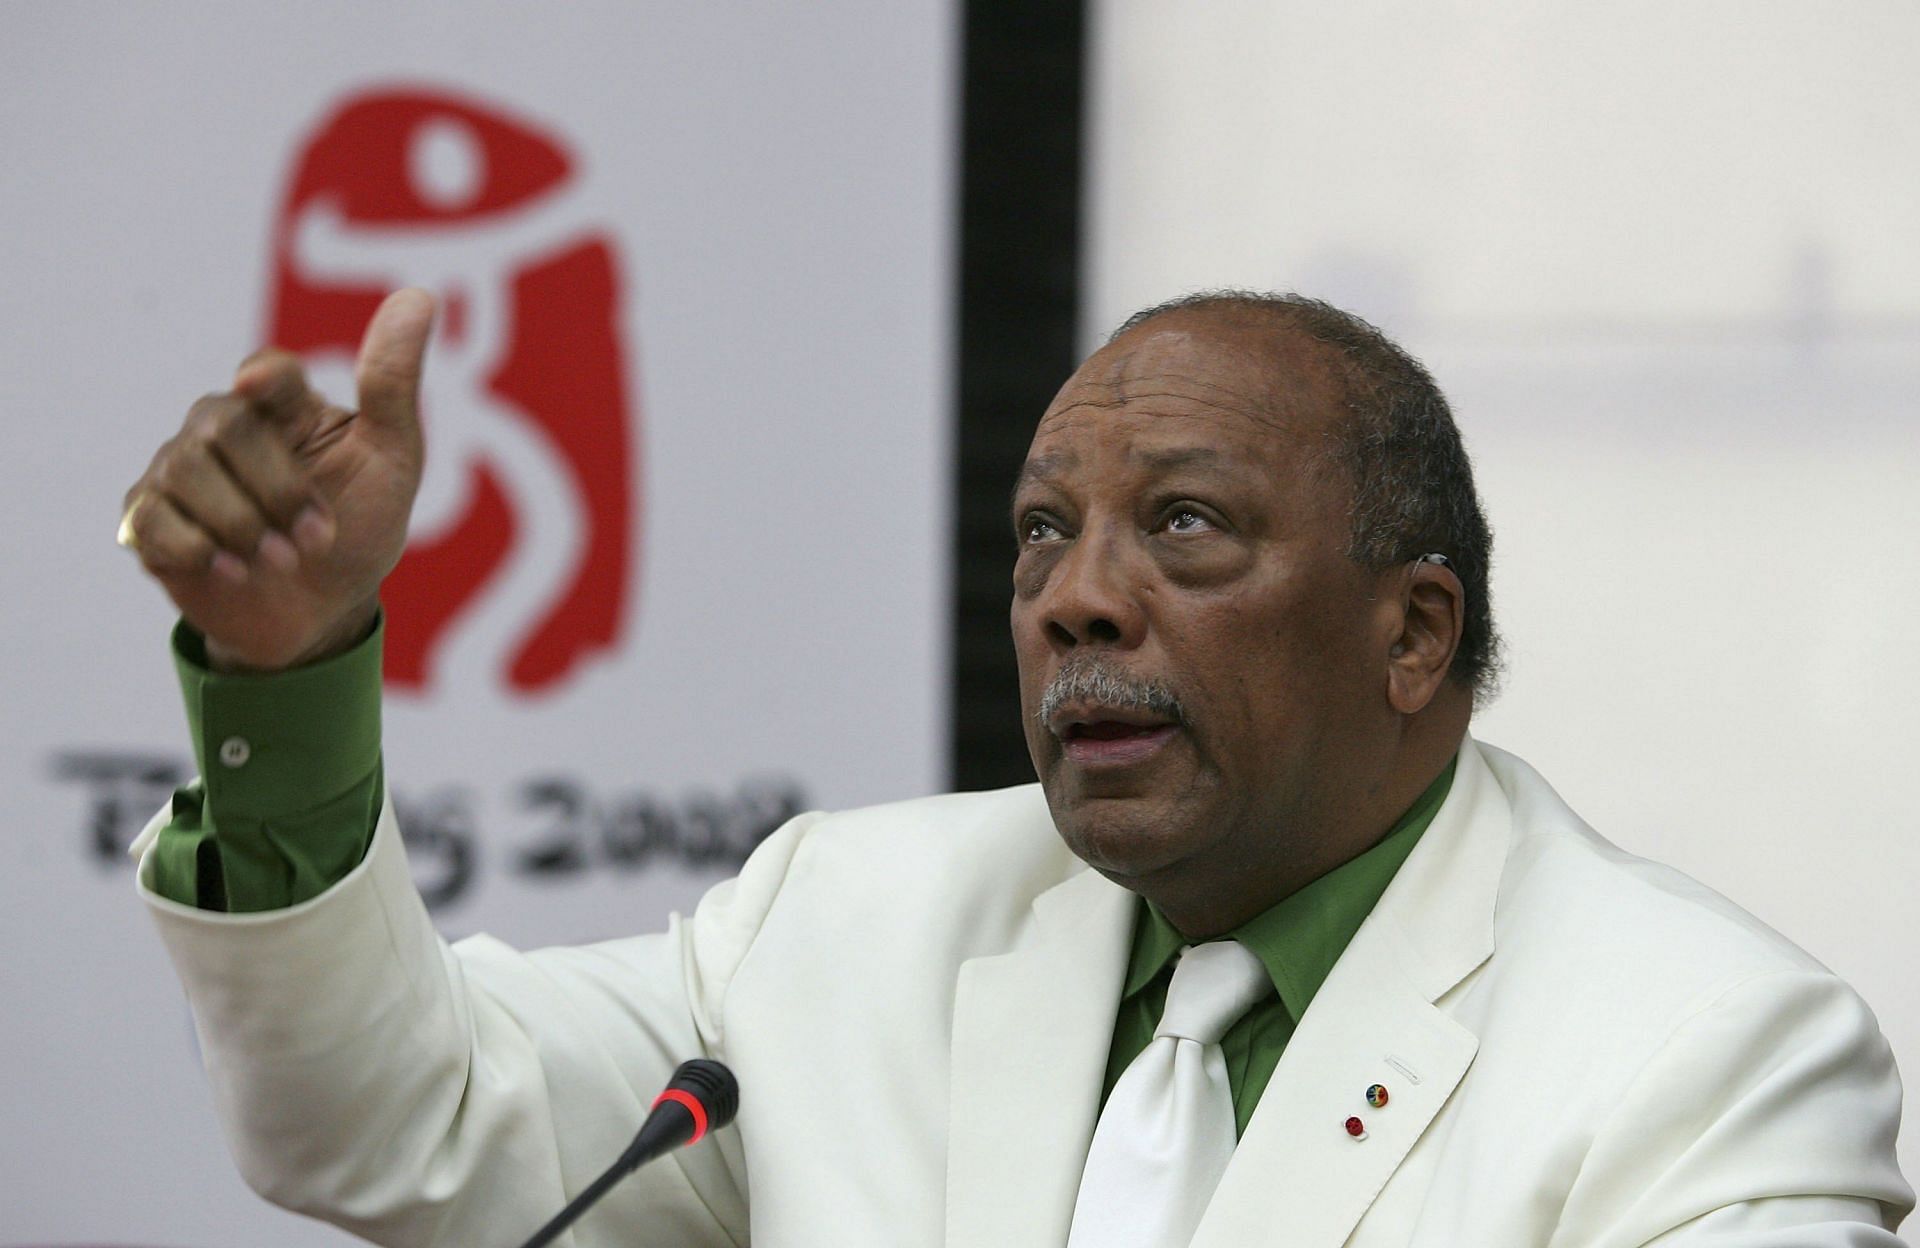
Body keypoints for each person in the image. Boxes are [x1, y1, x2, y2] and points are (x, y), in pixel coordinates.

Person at [123, 290, 1912, 1246]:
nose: (1077, 602)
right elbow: (399, 1124)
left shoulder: (1706, 1054)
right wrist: (284, 679)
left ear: (1415, 634)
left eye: (1186, 527)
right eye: (1040, 536)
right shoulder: (850, 923)